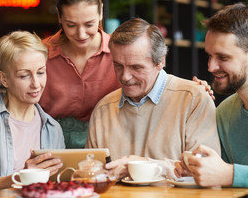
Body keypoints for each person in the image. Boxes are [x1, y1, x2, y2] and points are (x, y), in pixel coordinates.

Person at [0, 0, 120, 148]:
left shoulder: (118, 54)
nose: (81, 34)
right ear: (59, 16)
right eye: (71, 25)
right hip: (47, 141)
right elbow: (16, 100)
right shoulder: (41, 53)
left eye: (89, 24)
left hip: (106, 140)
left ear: (100, 12)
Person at [85, 17, 220, 179]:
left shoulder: (193, 99)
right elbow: (90, 174)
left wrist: (143, 167)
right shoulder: (103, 109)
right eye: (118, 66)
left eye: (136, 67)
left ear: (160, 61)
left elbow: (206, 169)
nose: (125, 77)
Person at [174, 3, 248, 197]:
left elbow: (229, 174)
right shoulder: (224, 111)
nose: (211, 66)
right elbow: (221, 174)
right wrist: (197, 171)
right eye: (209, 56)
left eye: (223, 57)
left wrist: (230, 174)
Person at [0, 31, 65, 194]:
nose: (36, 84)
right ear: (4, 79)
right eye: (24, 76)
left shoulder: (53, 128)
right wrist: (23, 177)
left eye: (41, 72)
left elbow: (57, 186)